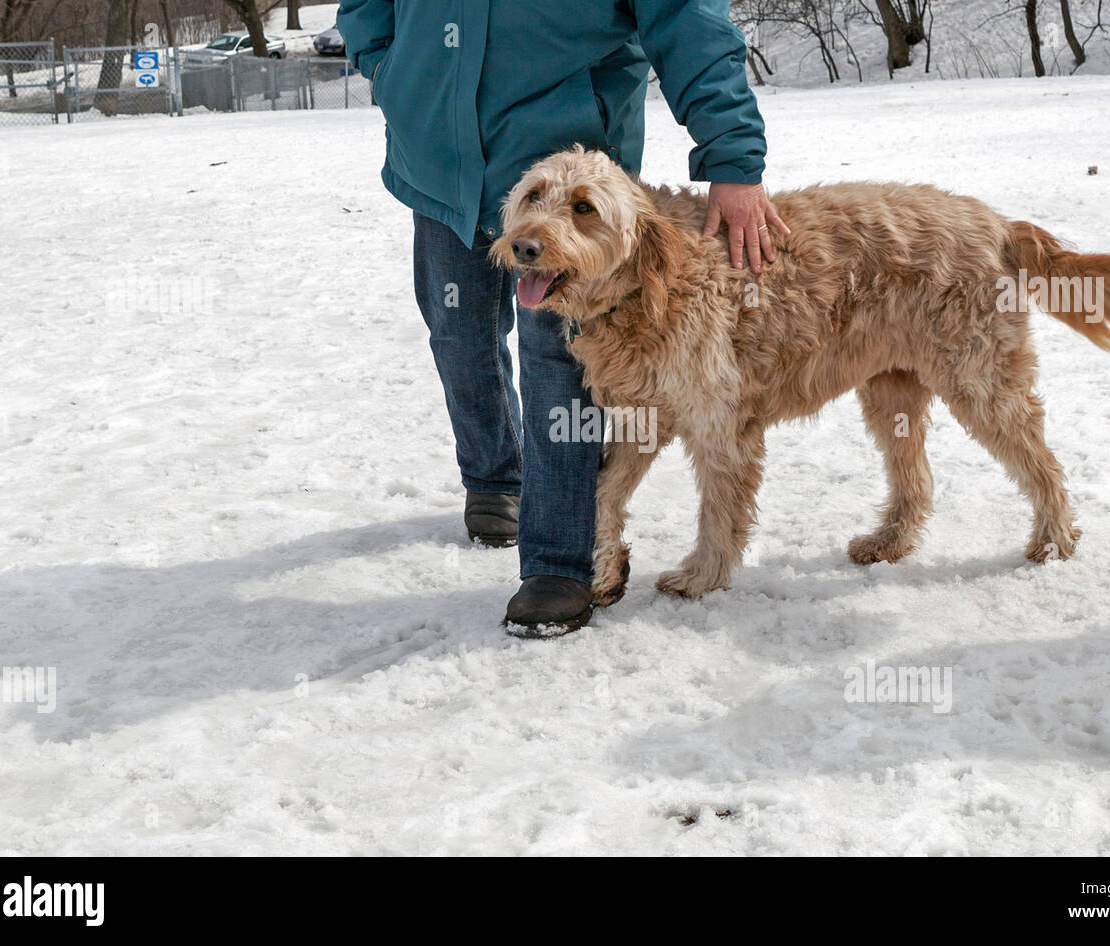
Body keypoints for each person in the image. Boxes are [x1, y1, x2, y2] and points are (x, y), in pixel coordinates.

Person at [336, 0, 786, 636]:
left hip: (561, 155)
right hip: (438, 154)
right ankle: (494, 480)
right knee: (458, 332)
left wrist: (733, 155)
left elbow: (687, 15)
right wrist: (389, 67)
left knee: (562, 368)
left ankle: (559, 560)